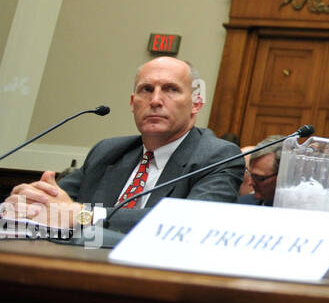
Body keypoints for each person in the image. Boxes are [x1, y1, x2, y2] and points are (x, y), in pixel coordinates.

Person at [3, 58, 241, 232]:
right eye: (146, 90)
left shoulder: (217, 156)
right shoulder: (108, 151)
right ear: (132, 103)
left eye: (171, 89)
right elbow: (58, 202)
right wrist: (29, 202)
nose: (156, 100)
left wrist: (84, 216)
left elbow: (186, 225)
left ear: (196, 104)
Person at [238, 135, 285, 206]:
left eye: (259, 178)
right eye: (250, 174)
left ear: (284, 176)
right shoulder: (241, 205)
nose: (250, 183)